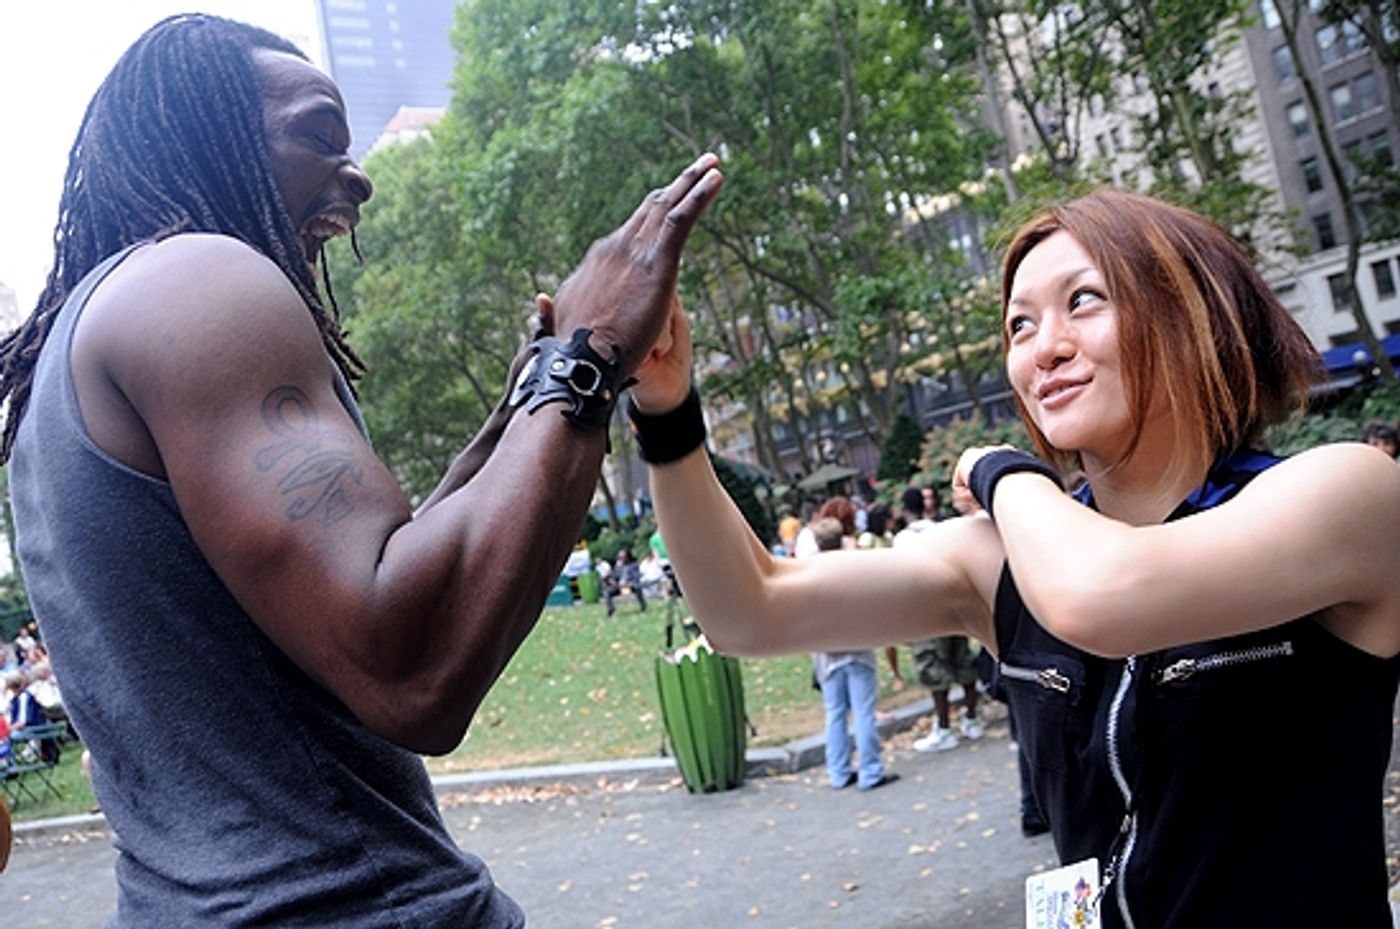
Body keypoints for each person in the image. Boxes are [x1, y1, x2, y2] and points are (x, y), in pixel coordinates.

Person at [0, 15, 721, 927]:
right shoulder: (196, 284)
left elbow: (379, 570)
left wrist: (516, 419)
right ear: (203, 133)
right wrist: (591, 353)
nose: (361, 175)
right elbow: (409, 665)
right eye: (316, 133)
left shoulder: (74, 356)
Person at [630, 189, 1400, 928]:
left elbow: (1098, 595)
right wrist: (667, 412)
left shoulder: (1345, 494)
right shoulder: (1000, 559)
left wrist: (1005, 472)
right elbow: (747, 609)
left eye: (1085, 300)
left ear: (1191, 312)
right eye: (1020, 325)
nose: (1045, 347)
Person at [807, 518, 898, 791]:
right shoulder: (853, 570)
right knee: (863, 712)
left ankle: (839, 772)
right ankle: (870, 771)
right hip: (857, 648)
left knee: (834, 714)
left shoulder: (808, 575)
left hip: (826, 654)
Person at [894, 486, 982, 752]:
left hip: (925, 611)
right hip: (953, 607)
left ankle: (944, 728)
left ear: (904, 508)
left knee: (934, 669)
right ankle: (972, 718)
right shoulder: (941, 529)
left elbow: (902, 576)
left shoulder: (903, 538)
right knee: (962, 662)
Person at [856, 504, 907, 693]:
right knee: (889, 638)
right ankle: (896, 675)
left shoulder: (888, 537)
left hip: (890, 588)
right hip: (876, 591)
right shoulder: (867, 539)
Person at [604, 547, 647, 616]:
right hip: (619, 586)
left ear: (628, 557)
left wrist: (629, 583)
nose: (621, 559)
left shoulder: (633, 565)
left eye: (623, 557)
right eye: (620, 557)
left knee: (637, 587)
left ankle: (643, 605)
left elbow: (636, 577)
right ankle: (611, 609)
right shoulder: (618, 567)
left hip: (630, 585)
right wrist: (611, 581)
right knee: (607, 592)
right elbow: (614, 577)